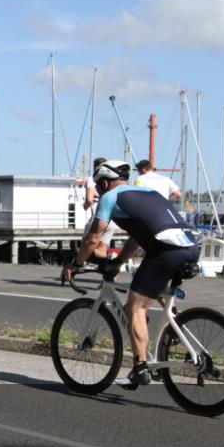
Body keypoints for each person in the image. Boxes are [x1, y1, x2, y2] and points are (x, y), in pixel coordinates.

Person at [61, 160, 199, 390]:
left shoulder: (110, 197)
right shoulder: (149, 192)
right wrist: (119, 262)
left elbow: (93, 239)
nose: (97, 190)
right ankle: (170, 334)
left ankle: (140, 368)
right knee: (157, 294)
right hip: (190, 246)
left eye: (98, 185)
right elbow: (136, 238)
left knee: (135, 307)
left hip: (165, 250)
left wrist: (75, 264)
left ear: (104, 183)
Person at [82, 157, 118, 259]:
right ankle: (111, 260)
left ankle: (76, 266)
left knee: (84, 248)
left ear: (95, 167)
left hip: (97, 219)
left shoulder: (92, 179)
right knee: (102, 250)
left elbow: (89, 200)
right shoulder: (112, 180)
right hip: (111, 221)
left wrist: (85, 206)